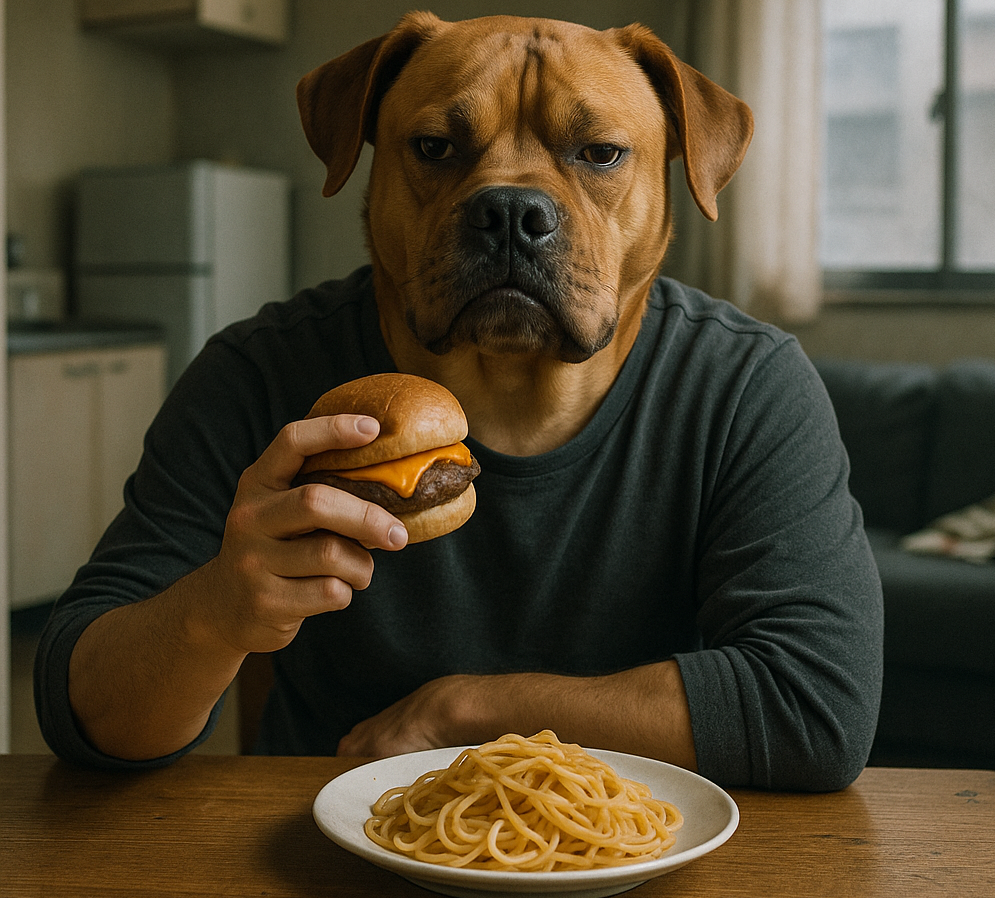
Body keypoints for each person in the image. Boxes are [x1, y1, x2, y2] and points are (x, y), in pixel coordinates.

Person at [34, 265, 884, 790]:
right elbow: (85, 715)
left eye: (597, 153)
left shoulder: (745, 383)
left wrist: (470, 708)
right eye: (438, 149)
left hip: (641, 864)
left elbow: (816, 709)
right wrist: (214, 613)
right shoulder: (259, 372)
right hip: (319, 861)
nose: (508, 203)